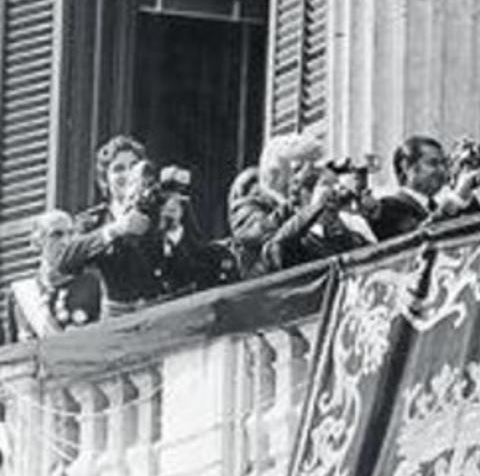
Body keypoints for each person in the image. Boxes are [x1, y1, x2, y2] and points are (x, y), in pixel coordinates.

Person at [52, 135, 200, 318]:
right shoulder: (94, 220)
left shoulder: (165, 208)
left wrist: (175, 230)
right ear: (105, 180)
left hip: (165, 316)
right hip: (117, 322)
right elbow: (64, 261)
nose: (128, 174)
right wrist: (115, 229)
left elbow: (198, 263)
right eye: (118, 169)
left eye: (134, 166)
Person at [228, 132, 373, 276]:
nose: (309, 175)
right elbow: (272, 245)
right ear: (276, 174)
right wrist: (311, 207)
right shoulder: (248, 210)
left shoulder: (311, 218)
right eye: (298, 169)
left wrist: (371, 213)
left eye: (315, 168)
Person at [370, 136, 480, 241]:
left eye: (444, 164)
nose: (442, 170)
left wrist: (467, 197)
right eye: (433, 163)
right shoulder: (387, 208)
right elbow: (418, 240)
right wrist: (456, 198)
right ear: (406, 167)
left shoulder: (437, 209)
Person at [9, 210, 102, 339]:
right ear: (37, 242)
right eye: (56, 235)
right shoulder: (22, 294)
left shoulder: (94, 283)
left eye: (71, 234)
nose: (66, 242)